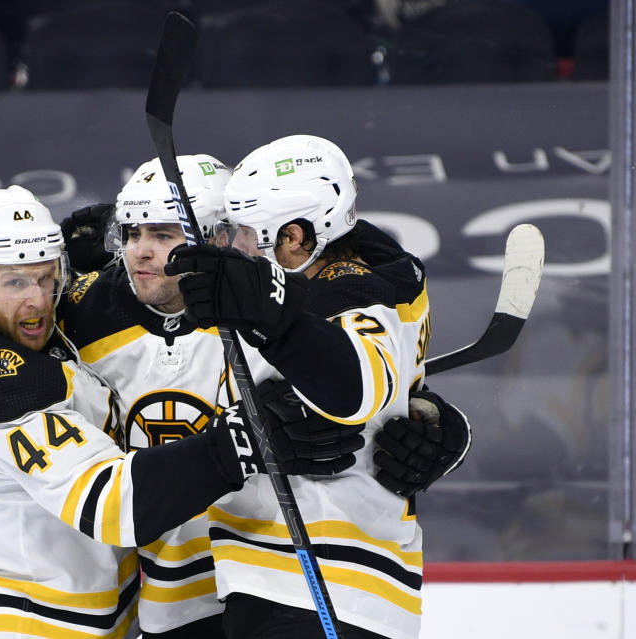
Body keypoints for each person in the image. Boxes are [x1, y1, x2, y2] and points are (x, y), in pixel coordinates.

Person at [55, 152, 469, 639]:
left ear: (220, 237)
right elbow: (0, 335)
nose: (140, 251)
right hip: (175, 598)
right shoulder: (88, 316)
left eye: (164, 233)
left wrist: (434, 423)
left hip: (287, 578)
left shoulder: (282, 300)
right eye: (130, 234)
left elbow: (363, 358)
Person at [0, 184, 341, 639]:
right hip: (22, 617)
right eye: (14, 282)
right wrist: (240, 443)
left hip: (91, 613)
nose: (35, 299)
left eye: (46, 276)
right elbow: (113, 506)